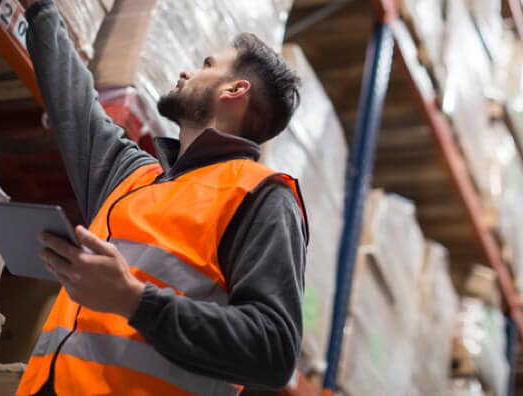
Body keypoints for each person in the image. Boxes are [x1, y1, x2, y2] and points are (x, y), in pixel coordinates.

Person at [16, 1, 308, 395]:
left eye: (206, 65)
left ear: (236, 90)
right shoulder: (134, 176)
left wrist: (133, 300)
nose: (188, 71)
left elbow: (273, 351)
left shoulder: (261, 196)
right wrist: (40, 9)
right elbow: (73, 103)